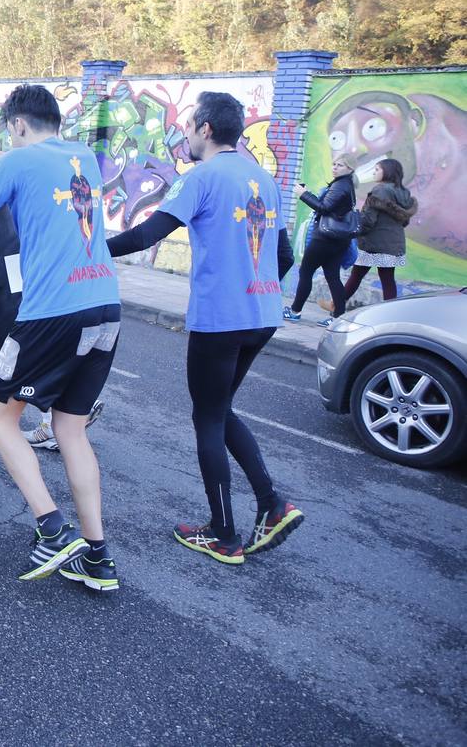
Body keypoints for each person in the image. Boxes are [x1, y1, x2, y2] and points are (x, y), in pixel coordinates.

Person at [107, 91, 304, 566]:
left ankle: (223, 534)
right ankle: (273, 504)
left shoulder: (203, 177)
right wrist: (254, 289)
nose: (186, 133)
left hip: (221, 319)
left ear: (207, 130)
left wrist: (89, 249)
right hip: (263, 316)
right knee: (221, 410)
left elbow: (146, 235)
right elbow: (284, 257)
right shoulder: (265, 179)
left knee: (208, 418)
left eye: (191, 124)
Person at [0, 84, 120, 590]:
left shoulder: (17, 166)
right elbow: (24, 164)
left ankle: (51, 529)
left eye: (7, 131)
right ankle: (98, 557)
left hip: (52, 314)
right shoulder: (82, 157)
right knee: (70, 430)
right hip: (107, 307)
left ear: (18, 124)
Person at [0, 128, 107, 453]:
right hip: (80, 285)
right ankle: (59, 411)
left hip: (41, 283)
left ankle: (50, 415)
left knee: (23, 356)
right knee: (45, 347)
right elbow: (15, 162)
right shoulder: (78, 157)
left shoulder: (25, 164)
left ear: (18, 126)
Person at [285, 153, 357, 325]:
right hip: (337, 239)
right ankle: (337, 316)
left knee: (306, 272)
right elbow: (330, 207)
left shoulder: (341, 185)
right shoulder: (346, 184)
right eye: (334, 164)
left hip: (324, 239)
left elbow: (323, 208)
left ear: (350, 169)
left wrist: (303, 194)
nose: (334, 167)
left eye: (339, 165)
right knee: (332, 276)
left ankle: (295, 311)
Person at [343, 159, 417, 303]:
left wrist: (355, 229)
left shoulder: (380, 190)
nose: (374, 172)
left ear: (387, 172)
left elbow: (368, 220)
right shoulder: (404, 192)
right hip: (393, 244)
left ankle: (336, 306)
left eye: (377, 169)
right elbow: (404, 221)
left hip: (374, 243)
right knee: (387, 279)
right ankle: (390, 313)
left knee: (357, 274)